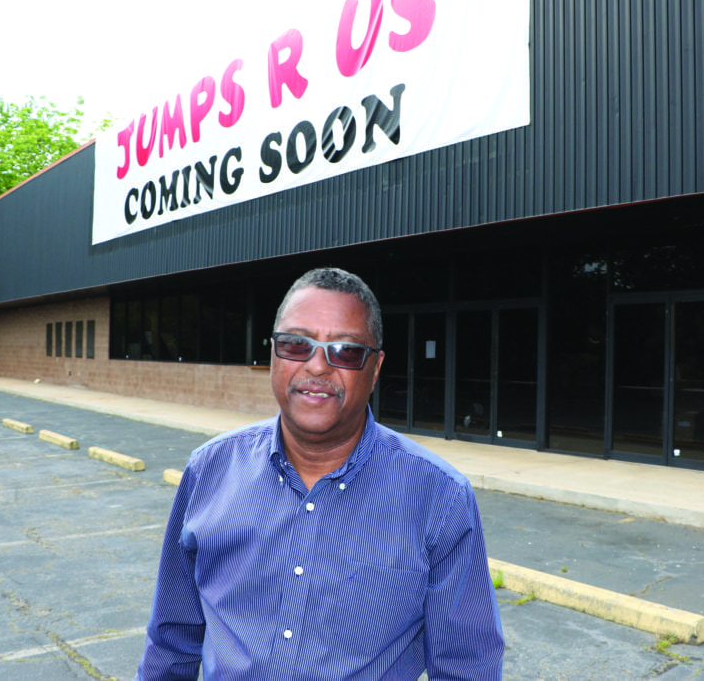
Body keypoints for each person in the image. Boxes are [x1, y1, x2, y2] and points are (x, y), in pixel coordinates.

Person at [136, 267, 504, 680]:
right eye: (296, 344)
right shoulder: (209, 471)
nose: (316, 366)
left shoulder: (439, 497)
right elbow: (171, 643)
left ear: (376, 367)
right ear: (274, 353)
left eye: (345, 351)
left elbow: (467, 666)